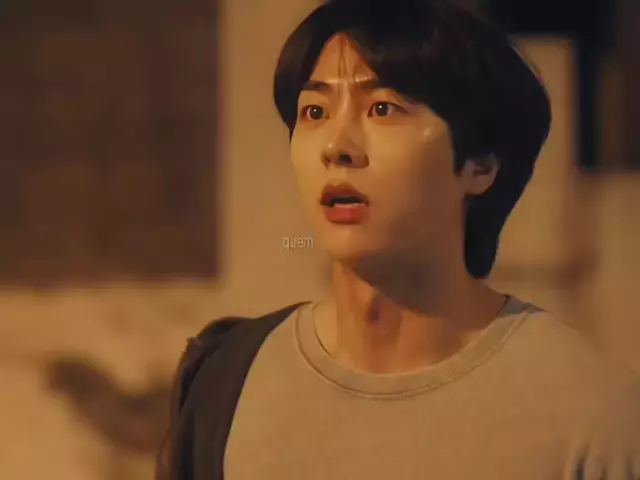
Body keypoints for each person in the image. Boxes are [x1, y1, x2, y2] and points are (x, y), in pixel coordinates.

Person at [161, 0, 640, 478]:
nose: (336, 147)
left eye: (382, 108)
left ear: (479, 165)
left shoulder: (592, 416)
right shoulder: (228, 384)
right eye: (314, 111)